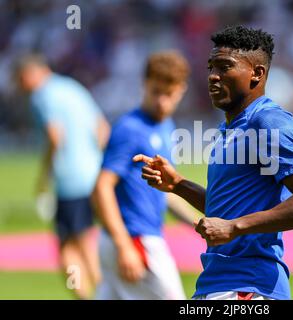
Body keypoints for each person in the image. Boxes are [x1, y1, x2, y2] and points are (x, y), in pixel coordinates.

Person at [134, 26, 293, 300]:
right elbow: (227, 210)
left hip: (248, 287)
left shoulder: (268, 121)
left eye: (225, 67)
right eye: (211, 67)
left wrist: (234, 227)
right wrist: (178, 185)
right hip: (217, 283)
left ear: (257, 74)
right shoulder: (229, 129)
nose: (213, 76)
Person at [93, 50, 198, 300]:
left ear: (181, 90)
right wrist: (124, 245)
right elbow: (102, 187)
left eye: (169, 94)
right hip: (135, 239)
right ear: (144, 84)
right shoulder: (130, 128)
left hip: (128, 240)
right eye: (155, 92)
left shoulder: (165, 127)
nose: (162, 101)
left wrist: (197, 225)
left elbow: (166, 192)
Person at [15, 54, 110, 299]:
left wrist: (44, 176)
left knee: (72, 246)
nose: (21, 88)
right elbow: (102, 128)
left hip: (70, 180)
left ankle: (98, 294)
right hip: (93, 174)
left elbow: (55, 136)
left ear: (29, 74)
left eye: (20, 81)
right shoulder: (72, 87)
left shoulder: (42, 96)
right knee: (80, 239)